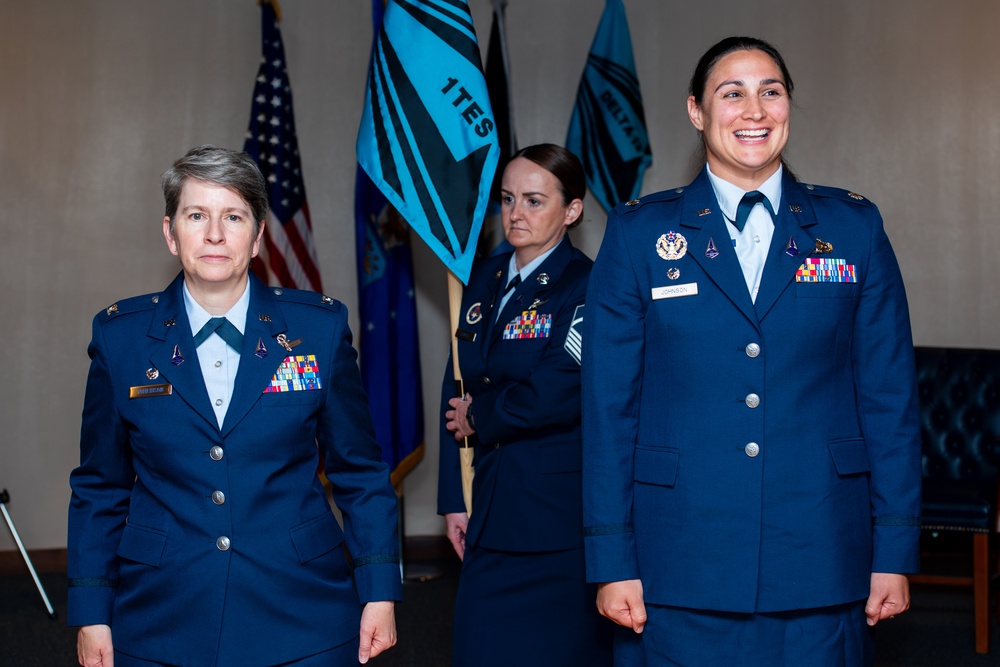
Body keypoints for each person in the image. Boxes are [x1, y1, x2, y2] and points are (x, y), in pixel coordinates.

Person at [581, 36, 921, 666]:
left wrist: (894, 551)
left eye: (771, 91)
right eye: (730, 93)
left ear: (789, 105)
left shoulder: (853, 228)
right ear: (696, 112)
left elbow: (889, 399)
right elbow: (608, 411)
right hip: (677, 561)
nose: (754, 110)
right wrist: (611, 559)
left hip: (821, 557)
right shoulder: (639, 234)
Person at [68, 145, 401, 667]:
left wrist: (380, 590)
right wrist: (92, 611)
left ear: (259, 235)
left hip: (302, 610)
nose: (215, 234)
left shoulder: (318, 329)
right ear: (170, 233)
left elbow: (359, 472)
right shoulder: (122, 339)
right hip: (161, 613)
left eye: (234, 216)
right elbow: (100, 486)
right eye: (196, 215)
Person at [438, 144, 613, 666]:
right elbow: (457, 391)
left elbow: (558, 390)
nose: (516, 213)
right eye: (508, 199)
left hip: (553, 520)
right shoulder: (480, 280)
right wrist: (453, 497)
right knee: (479, 649)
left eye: (534, 201)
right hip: (487, 504)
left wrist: (481, 415)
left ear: (572, 210)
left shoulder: (588, 286)